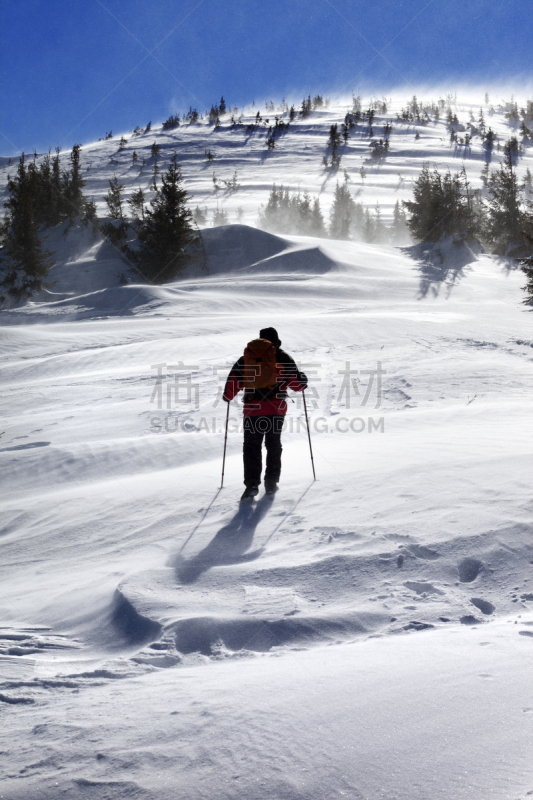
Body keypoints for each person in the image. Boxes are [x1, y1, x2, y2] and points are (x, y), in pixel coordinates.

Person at [223, 327, 307, 501]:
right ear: (277, 341)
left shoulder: (247, 358)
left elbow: (233, 383)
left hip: (252, 410)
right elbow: (297, 386)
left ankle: (252, 485)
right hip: (276, 410)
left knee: (252, 447)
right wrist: (303, 381)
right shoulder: (283, 358)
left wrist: (227, 396)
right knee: (273, 445)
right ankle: (271, 483)